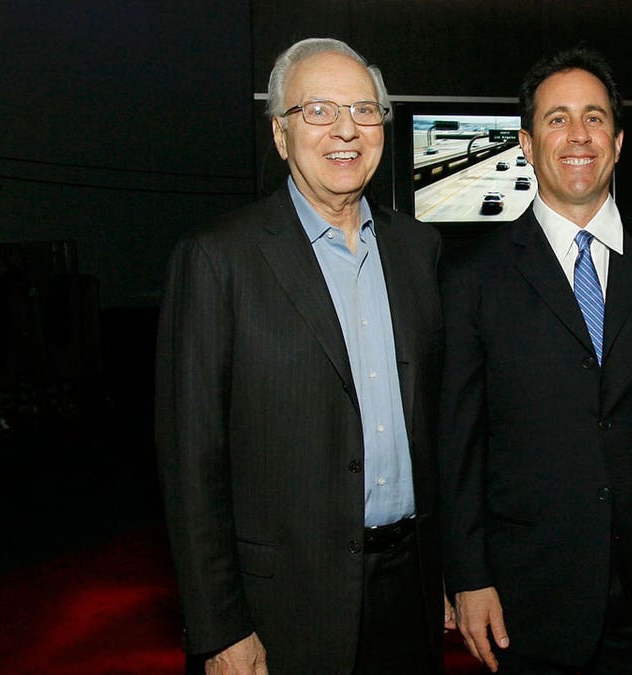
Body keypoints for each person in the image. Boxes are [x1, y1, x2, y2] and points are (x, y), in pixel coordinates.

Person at [155, 37, 450, 673]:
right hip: (281, 606)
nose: (346, 129)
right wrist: (220, 627)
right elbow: (190, 462)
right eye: (318, 110)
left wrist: (450, 573)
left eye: (365, 110)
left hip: (412, 588)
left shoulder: (418, 251)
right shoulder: (216, 259)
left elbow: (438, 425)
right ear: (281, 135)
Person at [438, 46, 632, 674]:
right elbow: (460, 444)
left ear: (617, 142)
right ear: (526, 142)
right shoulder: (471, 276)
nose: (577, 135)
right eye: (557, 118)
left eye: (594, 118)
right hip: (527, 600)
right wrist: (469, 575)